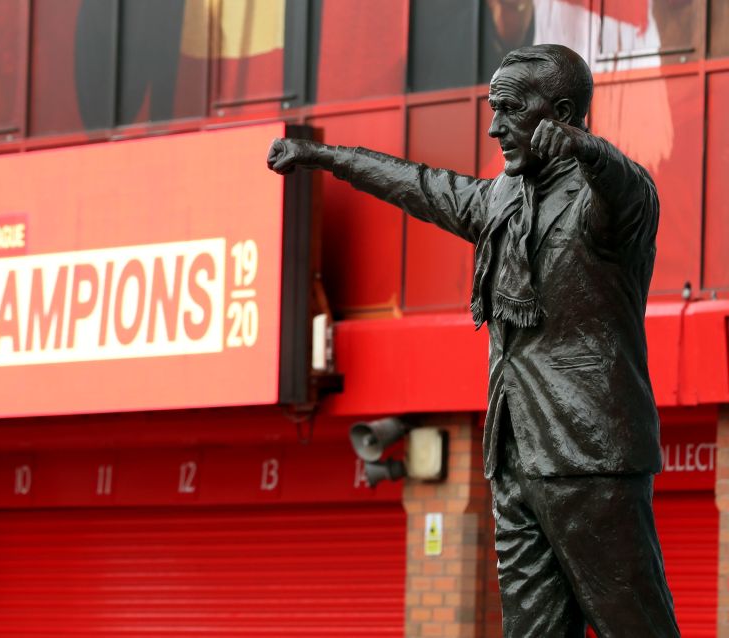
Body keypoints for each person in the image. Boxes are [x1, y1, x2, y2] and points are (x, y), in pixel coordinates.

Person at [267, 44, 679, 637]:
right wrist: (325, 156)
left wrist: (587, 148)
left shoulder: (610, 203)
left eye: (511, 109)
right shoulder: (501, 201)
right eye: (492, 108)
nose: (495, 127)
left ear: (560, 113)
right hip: (513, 457)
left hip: (587, 457)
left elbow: (622, 187)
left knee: (633, 625)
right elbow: (420, 185)